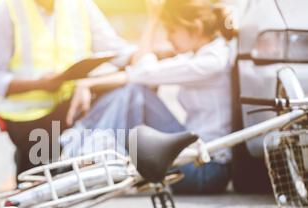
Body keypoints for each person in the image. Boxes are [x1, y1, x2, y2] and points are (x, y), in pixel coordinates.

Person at [64, 0, 237, 194]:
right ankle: (81, 153)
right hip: (195, 160)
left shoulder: (211, 62)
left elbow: (140, 72)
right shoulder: (200, 56)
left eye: (172, 30)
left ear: (195, 28)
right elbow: (143, 67)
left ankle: (81, 156)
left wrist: (88, 83)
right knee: (131, 93)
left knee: (136, 92)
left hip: (206, 170)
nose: (169, 38)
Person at [0, 0, 135, 178]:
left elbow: (116, 50)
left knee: (128, 91)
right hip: (29, 120)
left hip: (72, 108)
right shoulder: (3, 11)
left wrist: (150, 56)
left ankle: (99, 156)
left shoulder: (80, 5)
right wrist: (39, 84)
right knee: (41, 185)